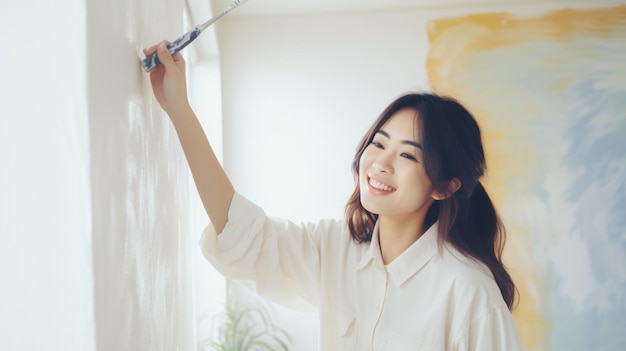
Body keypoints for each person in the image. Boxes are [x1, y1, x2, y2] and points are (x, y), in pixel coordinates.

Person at [143, 41, 523, 350]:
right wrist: (179, 109)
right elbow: (240, 234)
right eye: (378, 143)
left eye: (408, 155)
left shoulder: (469, 291)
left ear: (445, 186)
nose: (381, 164)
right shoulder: (335, 249)